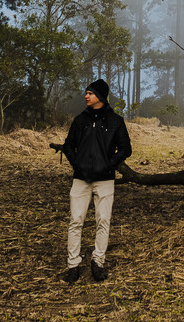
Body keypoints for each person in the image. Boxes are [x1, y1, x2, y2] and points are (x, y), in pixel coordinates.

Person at [61, 78, 131, 284]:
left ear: (100, 96)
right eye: (86, 93)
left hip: (105, 180)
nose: (86, 96)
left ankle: (97, 263)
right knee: (76, 221)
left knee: (103, 221)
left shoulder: (115, 121)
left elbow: (126, 149)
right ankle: (73, 266)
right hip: (81, 180)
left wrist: (108, 165)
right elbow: (68, 145)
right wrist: (77, 165)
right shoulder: (79, 120)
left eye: (90, 93)